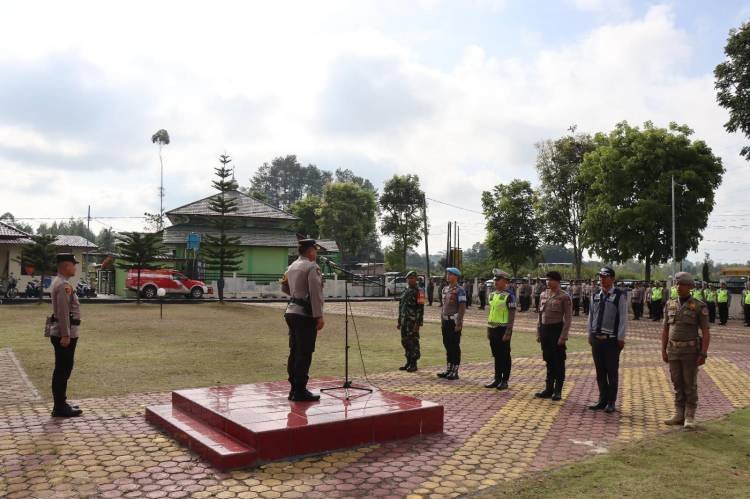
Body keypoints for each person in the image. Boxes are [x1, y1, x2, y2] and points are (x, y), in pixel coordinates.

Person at [662, 272, 711, 428]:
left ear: (690, 286)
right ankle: (678, 413)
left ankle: (689, 415)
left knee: (689, 384)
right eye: (676, 283)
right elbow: (665, 329)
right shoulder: (670, 304)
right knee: (677, 382)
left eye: (682, 284)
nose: (678, 287)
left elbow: (706, 332)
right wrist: (663, 350)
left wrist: (703, 353)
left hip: (690, 351)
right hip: (673, 350)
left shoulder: (699, 306)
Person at [281, 239, 325, 402]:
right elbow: (315, 293)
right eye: (315, 249)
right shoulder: (312, 267)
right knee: (305, 353)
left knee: (295, 351)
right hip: (305, 315)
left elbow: (284, 287)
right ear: (310, 251)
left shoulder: (292, 266)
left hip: (291, 312)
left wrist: (297, 295)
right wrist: (319, 316)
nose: (316, 253)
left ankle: (293, 388)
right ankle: (300, 390)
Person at [45, 253, 83, 418]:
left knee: (63, 369)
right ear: (66, 266)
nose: (75, 267)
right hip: (64, 334)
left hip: (63, 333)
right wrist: (66, 335)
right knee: (62, 370)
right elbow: (63, 312)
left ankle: (61, 403)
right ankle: (59, 407)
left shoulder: (61, 282)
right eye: (73, 264)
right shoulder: (63, 285)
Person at [587, 266, 627, 413]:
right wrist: (589, 334)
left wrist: (621, 338)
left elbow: (623, 318)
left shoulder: (619, 295)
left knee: (612, 371)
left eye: (605, 276)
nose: (602, 279)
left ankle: (611, 401)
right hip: (596, 339)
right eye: (600, 277)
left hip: (611, 340)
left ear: (612, 279)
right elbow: (591, 316)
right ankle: (602, 399)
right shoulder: (595, 294)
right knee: (600, 372)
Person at [535, 271, 571, 401]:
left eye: (550, 280)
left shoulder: (564, 296)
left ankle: (558, 390)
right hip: (545, 330)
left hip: (557, 330)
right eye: (546, 280)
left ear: (557, 281)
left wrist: (563, 336)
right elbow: (539, 315)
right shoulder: (543, 294)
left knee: (558, 361)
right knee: (548, 360)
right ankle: (548, 389)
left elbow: (568, 318)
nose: (547, 282)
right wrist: (538, 331)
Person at [484, 270, 516, 391]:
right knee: (496, 355)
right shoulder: (492, 294)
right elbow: (491, 313)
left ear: (505, 281)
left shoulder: (509, 295)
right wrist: (488, 329)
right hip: (492, 328)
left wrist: (509, 331)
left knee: (505, 355)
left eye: (498, 280)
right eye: (495, 280)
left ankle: (504, 380)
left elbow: (512, 315)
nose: (495, 282)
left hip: (503, 329)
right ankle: (497, 379)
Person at [438, 268, 467, 380]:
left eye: (450, 274)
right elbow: (444, 306)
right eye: (447, 274)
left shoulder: (460, 290)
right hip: (445, 321)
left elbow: (462, 307)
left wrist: (459, 323)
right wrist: (442, 320)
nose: (447, 276)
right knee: (447, 344)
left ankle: (455, 370)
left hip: (454, 321)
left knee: (454, 346)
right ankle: (449, 368)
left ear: (456, 276)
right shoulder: (445, 289)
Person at [397, 271, 424, 372]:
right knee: (405, 341)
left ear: (416, 279)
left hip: (413, 321)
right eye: (409, 278)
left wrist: (418, 323)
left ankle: (414, 363)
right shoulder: (405, 291)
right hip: (404, 321)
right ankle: (408, 361)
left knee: (413, 342)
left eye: (412, 278)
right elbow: (401, 306)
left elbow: (420, 309)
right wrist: (399, 321)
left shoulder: (420, 291)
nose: (410, 280)